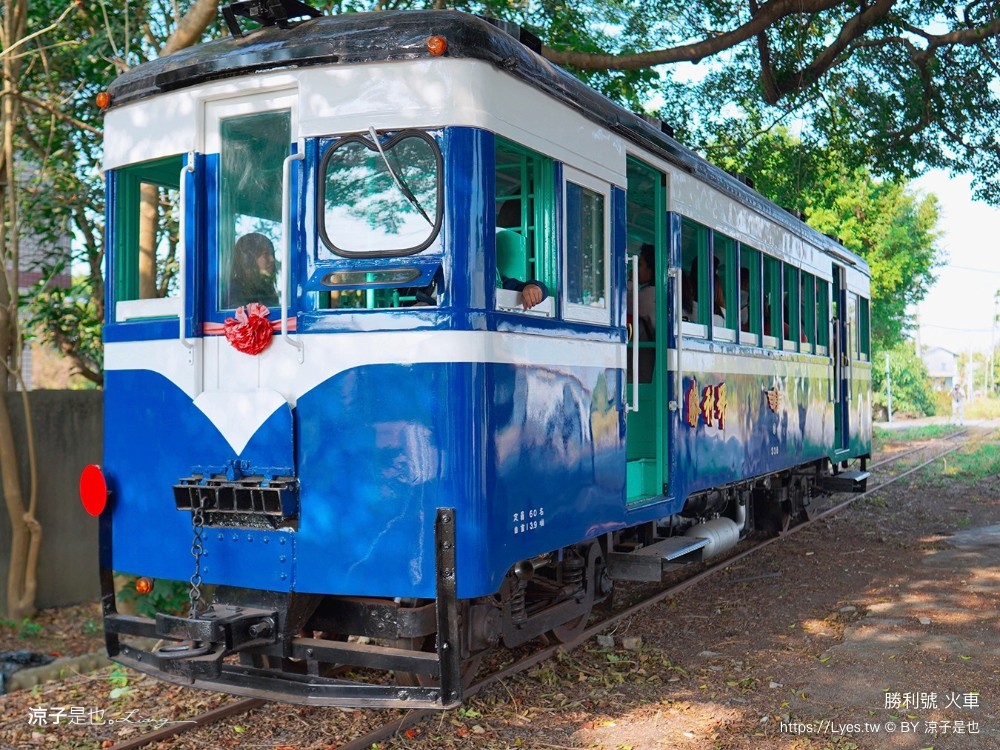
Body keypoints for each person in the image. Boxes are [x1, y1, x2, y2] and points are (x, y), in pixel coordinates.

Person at [230, 233, 278, 308]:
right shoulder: (234, 290)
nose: (272, 259)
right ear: (249, 259)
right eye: (265, 254)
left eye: (272, 254)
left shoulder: (266, 288)